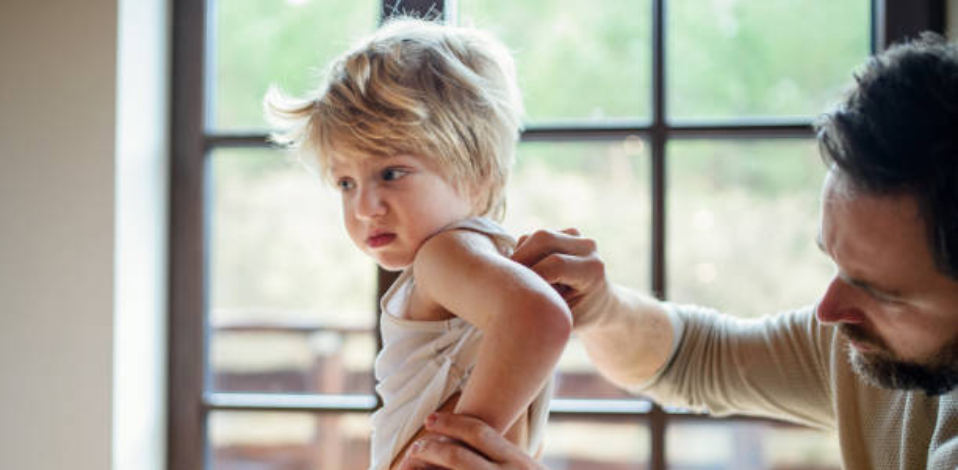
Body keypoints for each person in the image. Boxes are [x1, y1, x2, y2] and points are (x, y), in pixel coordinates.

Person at [399, 33, 958, 470]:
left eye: (882, 293)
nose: (828, 310)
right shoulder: (865, 342)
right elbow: (699, 358)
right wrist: (605, 310)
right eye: (833, 262)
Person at [264, 17, 571, 470]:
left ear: (477, 172)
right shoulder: (484, 264)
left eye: (391, 173)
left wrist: (453, 453)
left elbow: (540, 317)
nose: (365, 206)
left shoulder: (443, 256)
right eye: (346, 183)